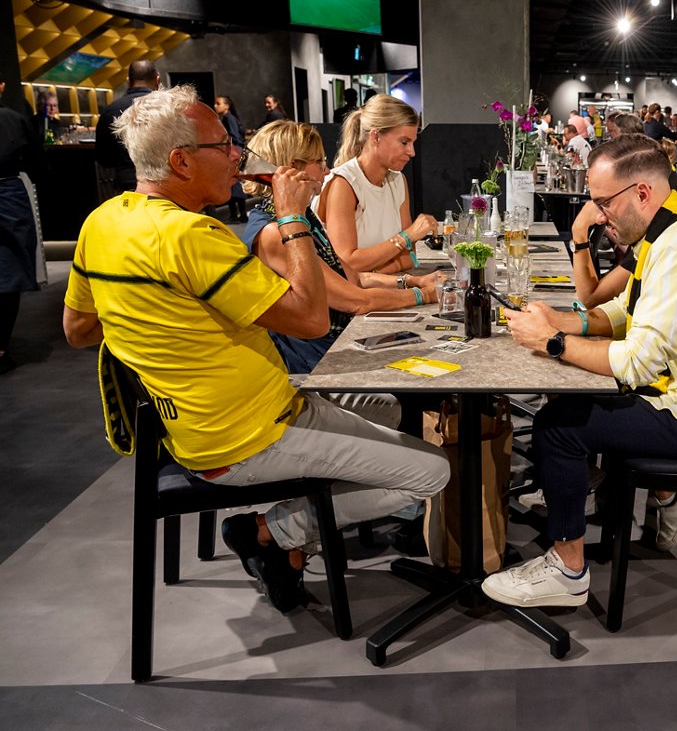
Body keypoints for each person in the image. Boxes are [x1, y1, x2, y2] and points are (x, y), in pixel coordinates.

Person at [62, 86, 450, 613]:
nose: (236, 157)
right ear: (180, 161)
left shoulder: (102, 222)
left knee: (392, 420)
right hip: (242, 436)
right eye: (223, 146)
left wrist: (155, 316)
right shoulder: (194, 236)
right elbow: (314, 320)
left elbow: (80, 329)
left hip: (260, 409)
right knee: (430, 474)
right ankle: (266, 531)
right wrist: (291, 216)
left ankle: (284, 545)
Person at [481, 135, 677, 608]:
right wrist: (565, 322)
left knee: (559, 427)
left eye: (602, 202)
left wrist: (550, 342)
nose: (597, 215)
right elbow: (625, 310)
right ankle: (598, 502)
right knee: (566, 402)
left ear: (642, 193)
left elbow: (634, 364)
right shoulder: (671, 229)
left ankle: (568, 569)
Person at [243, 120, 445, 377]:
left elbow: (352, 276)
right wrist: (425, 296)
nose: (326, 172)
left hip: (334, 341)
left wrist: (413, 281)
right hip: (315, 362)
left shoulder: (301, 215)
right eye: (319, 163)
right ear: (292, 170)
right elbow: (355, 301)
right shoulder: (275, 232)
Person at [315, 94, 438, 274]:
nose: (411, 152)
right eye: (404, 142)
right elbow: (345, 264)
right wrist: (407, 236)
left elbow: (409, 258)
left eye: (412, 143)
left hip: (385, 288)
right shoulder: (343, 184)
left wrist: (376, 270)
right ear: (376, 137)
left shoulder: (398, 181)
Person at [0, 79, 39, 375]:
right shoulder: (15, 120)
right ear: (1, 87)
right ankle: (1, 346)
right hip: (8, 193)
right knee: (10, 267)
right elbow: (39, 164)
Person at [95, 60, 161, 197]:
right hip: (165, 186)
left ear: (128, 81)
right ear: (157, 79)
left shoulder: (110, 111)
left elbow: (104, 158)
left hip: (127, 186)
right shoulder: (168, 107)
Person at [213, 96, 248, 222]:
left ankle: (237, 215)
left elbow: (234, 136)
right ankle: (240, 215)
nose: (215, 106)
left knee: (233, 184)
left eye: (218, 103)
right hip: (236, 152)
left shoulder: (228, 118)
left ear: (226, 105)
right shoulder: (228, 118)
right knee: (235, 184)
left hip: (233, 153)